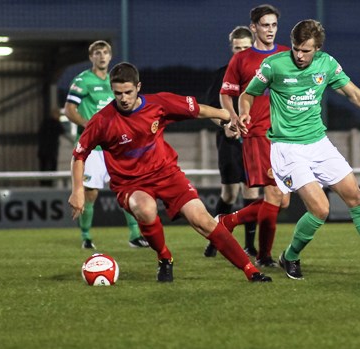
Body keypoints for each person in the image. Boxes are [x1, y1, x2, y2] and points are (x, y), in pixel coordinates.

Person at [238, 19, 360, 279]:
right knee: (321, 210)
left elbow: (354, 94)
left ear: (318, 48)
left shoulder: (327, 64)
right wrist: (244, 113)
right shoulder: (274, 65)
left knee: (355, 196)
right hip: (287, 148)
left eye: (306, 50)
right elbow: (247, 94)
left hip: (319, 144)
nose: (299, 55)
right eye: (296, 49)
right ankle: (290, 256)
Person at [68, 62, 272, 283]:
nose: (124, 98)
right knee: (145, 208)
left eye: (128, 92)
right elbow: (79, 155)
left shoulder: (158, 104)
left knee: (202, 220)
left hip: (166, 174)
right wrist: (77, 190)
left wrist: (226, 115)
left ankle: (251, 270)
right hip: (131, 183)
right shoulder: (102, 121)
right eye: (118, 93)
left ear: (138, 87)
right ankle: (164, 257)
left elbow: (198, 110)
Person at [218, 4, 291, 267]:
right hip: (259, 133)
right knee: (273, 196)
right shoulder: (242, 59)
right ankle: (264, 256)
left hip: (287, 135)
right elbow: (225, 93)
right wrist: (233, 117)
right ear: (254, 27)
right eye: (265, 25)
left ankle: (229, 220)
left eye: (273, 25)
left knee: (283, 201)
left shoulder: (286, 53)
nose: (270, 30)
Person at [64, 40, 148, 249]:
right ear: (91, 57)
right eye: (97, 53)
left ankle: (134, 235)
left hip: (116, 146)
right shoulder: (82, 80)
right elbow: (69, 109)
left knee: (127, 188)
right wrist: (88, 125)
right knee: (91, 192)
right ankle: (86, 237)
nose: (101, 56)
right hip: (92, 147)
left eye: (105, 53)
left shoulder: (117, 81)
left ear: (110, 56)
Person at [202, 25, 260, 258]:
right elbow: (210, 110)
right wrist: (225, 126)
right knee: (228, 194)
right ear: (231, 49)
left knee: (252, 192)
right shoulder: (222, 75)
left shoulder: (263, 74)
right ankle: (216, 240)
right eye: (237, 48)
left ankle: (249, 245)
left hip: (254, 140)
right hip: (228, 140)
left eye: (246, 47)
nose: (241, 52)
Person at [37, 108, 65, 187]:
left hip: (43, 149)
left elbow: (40, 133)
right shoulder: (56, 123)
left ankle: (43, 183)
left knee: (43, 167)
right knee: (52, 167)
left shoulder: (45, 122)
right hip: (52, 150)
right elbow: (62, 131)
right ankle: (50, 183)